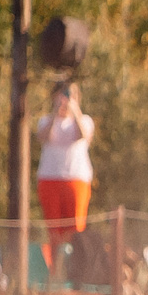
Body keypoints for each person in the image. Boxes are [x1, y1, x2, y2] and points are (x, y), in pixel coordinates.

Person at [34, 82, 94, 282]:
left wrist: (74, 109)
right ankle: (55, 274)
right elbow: (42, 136)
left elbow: (84, 135)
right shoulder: (45, 121)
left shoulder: (85, 120)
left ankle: (75, 273)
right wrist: (55, 110)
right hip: (50, 181)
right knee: (54, 232)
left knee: (76, 230)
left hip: (76, 181)